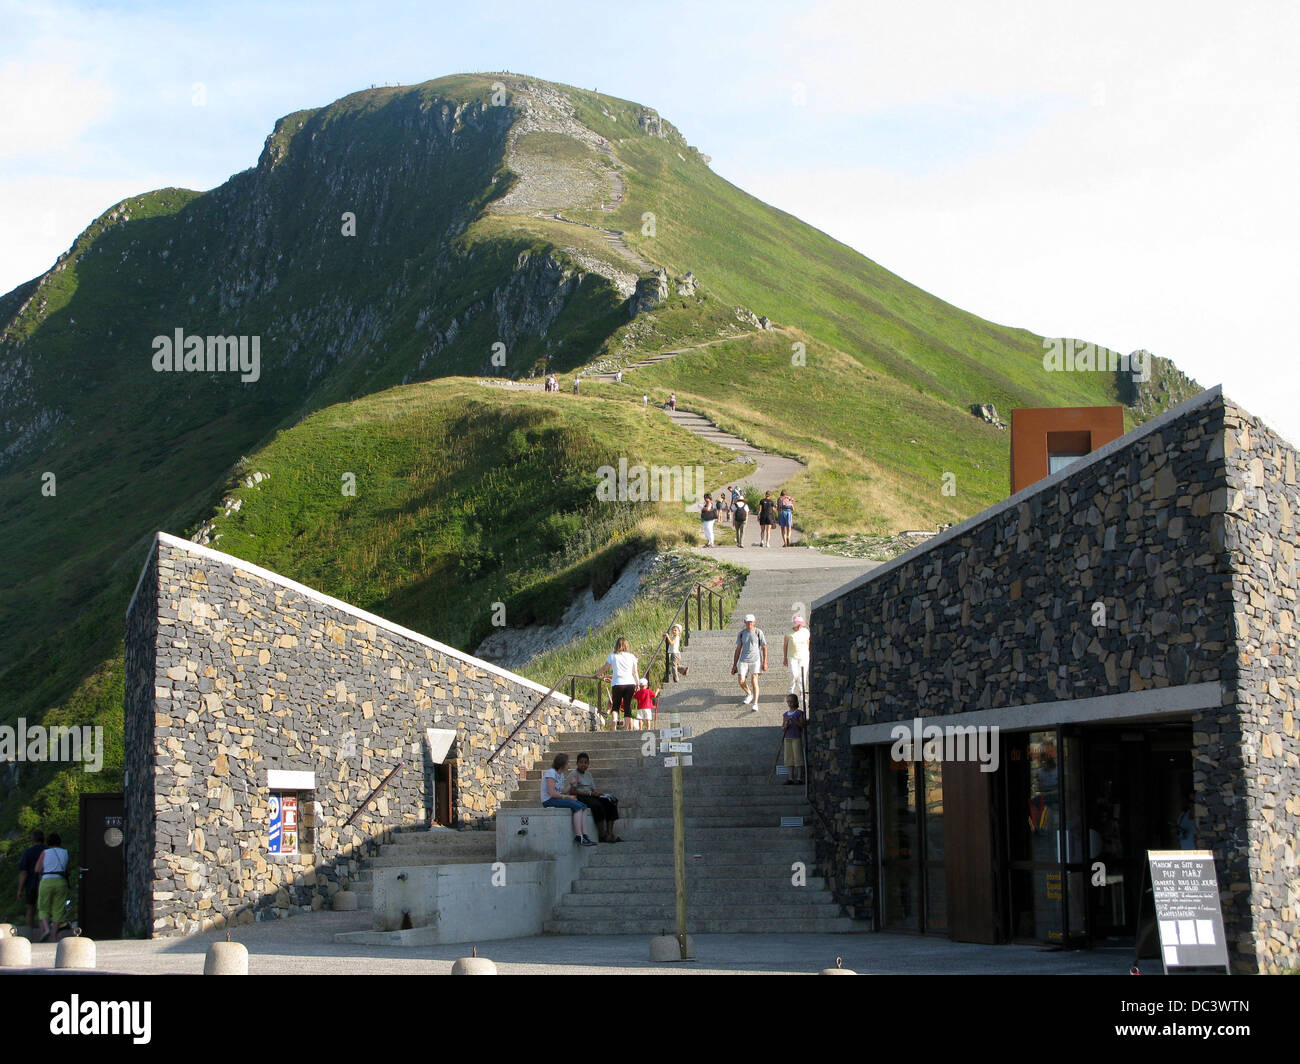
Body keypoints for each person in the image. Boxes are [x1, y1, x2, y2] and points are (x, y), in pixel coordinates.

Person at [567, 753, 622, 842]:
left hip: (591, 795)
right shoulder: (574, 774)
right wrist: (589, 794)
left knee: (611, 801)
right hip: (580, 797)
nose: (583, 764)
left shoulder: (588, 775)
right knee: (597, 806)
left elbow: (593, 789)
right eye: (581, 762)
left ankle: (610, 834)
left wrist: (599, 794)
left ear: (588, 764)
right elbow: (572, 791)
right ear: (577, 763)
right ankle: (602, 834)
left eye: (585, 763)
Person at [542, 754, 596, 845]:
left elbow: (562, 791)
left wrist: (571, 784)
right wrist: (568, 797)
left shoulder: (561, 775)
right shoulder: (551, 773)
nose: (569, 765)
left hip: (556, 799)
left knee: (583, 806)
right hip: (549, 800)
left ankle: (585, 835)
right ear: (562, 764)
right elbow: (552, 793)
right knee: (577, 807)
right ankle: (579, 836)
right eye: (568, 763)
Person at [33, 831, 71, 942]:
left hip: (46, 881)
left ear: (48, 842)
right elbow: (67, 869)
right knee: (58, 909)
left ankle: (46, 928)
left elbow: (37, 869)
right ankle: (53, 936)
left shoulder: (45, 852)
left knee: (43, 906)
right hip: (61, 882)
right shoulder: (65, 852)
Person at [599, 636, 640, 729]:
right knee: (627, 705)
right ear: (627, 645)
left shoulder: (612, 656)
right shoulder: (632, 656)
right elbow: (635, 672)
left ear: (617, 645)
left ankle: (614, 721)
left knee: (616, 705)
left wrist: (596, 674)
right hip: (630, 683)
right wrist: (638, 683)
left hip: (617, 683)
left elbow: (605, 668)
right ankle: (625, 727)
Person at [731, 613, 767, 711]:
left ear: (754, 622)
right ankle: (749, 694)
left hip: (755, 659)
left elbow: (764, 647)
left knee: (754, 680)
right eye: (747, 622)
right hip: (743, 659)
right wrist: (734, 665)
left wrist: (765, 662)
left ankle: (755, 703)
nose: (749, 624)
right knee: (741, 680)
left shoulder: (758, 632)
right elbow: (738, 649)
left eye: (751, 622)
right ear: (745, 622)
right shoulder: (741, 633)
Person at [16, 828, 45, 932]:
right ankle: (42, 930)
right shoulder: (48, 851)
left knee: (30, 909)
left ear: (33, 840)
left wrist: (19, 889)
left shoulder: (28, 852)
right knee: (42, 909)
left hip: (31, 884)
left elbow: (23, 872)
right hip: (44, 882)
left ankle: (29, 932)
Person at [781, 694, 806, 784]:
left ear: (795, 702)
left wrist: (793, 720)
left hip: (796, 737)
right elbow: (783, 728)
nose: (790, 703)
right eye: (788, 702)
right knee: (789, 758)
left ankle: (800, 777)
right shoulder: (785, 714)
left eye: (791, 701)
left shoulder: (799, 713)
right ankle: (790, 777)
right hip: (788, 738)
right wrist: (786, 725)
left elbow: (802, 725)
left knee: (798, 757)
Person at [783, 616, 811, 696]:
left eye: (800, 624)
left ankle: (802, 693)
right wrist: (785, 658)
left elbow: (808, 642)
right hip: (792, 656)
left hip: (804, 657)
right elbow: (785, 645)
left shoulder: (806, 631)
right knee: (793, 674)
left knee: (802, 675)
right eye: (798, 624)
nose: (799, 626)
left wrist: (808, 652)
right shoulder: (789, 633)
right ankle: (791, 689)